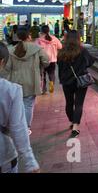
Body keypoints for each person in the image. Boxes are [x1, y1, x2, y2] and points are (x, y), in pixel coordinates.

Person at [0, 43, 40, 173]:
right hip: (3, 155)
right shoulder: (9, 90)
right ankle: (28, 126)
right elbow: (17, 128)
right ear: (1, 62)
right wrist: (30, 162)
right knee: (27, 106)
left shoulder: (11, 51)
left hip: (16, 78)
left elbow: (8, 69)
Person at [2, 28, 49, 133]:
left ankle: (15, 126)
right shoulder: (37, 49)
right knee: (28, 105)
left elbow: (6, 68)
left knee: (16, 105)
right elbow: (46, 62)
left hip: (15, 81)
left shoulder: (10, 50)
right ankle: (26, 128)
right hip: (32, 81)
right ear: (29, 36)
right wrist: (39, 66)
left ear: (17, 37)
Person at [57, 30, 94, 138]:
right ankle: (75, 127)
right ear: (78, 38)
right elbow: (91, 61)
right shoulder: (82, 51)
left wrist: (62, 79)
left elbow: (59, 67)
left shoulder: (62, 52)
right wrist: (82, 66)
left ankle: (72, 120)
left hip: (66, 82)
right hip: (80, 81)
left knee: (69, 102)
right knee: (78, 103)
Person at [37, 25, 62, 94]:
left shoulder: (39, 40)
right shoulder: (54, 38)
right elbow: (60, 47)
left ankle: (43, 89)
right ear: (49, 30)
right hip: (52, 60)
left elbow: (36, 49)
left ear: (41, 31)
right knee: (51, 74)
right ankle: (51, 84)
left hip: (42, 60)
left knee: (42, 75)